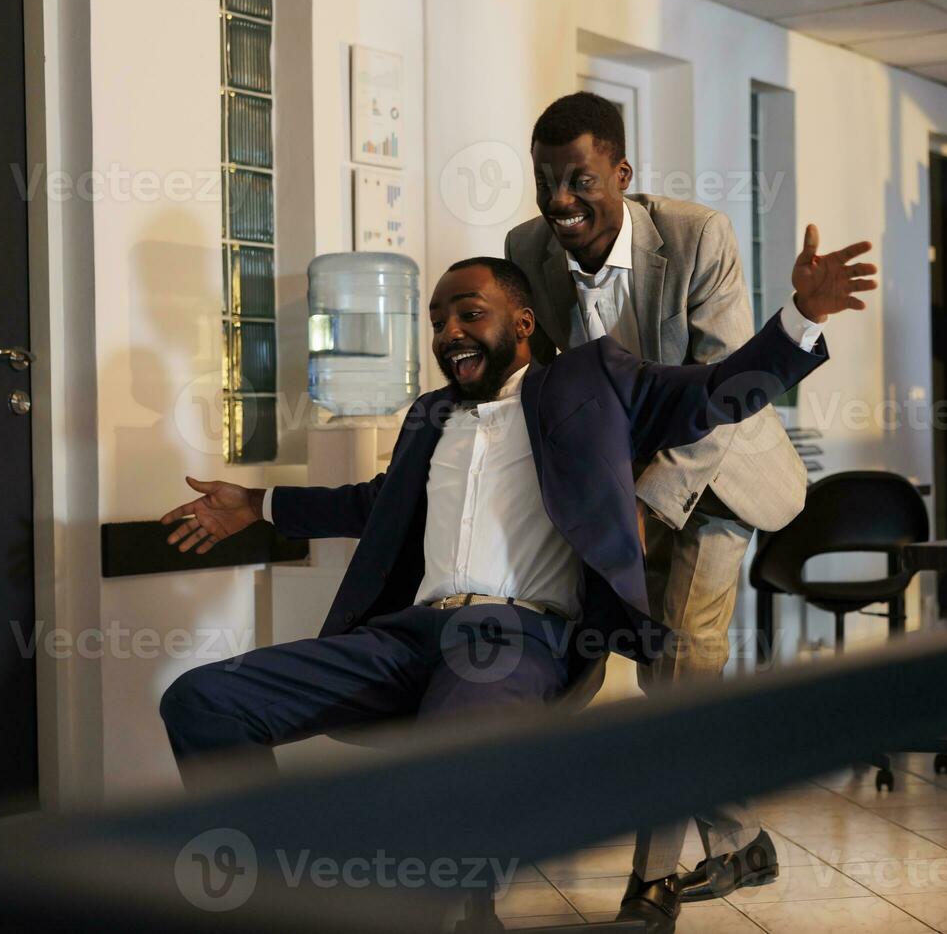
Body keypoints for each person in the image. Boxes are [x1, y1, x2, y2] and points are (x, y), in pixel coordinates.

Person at [159, 253, 873, 931]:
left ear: (523, 322)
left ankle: (454, 907)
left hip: (512, 636)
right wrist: (259, 504)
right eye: (438, 322)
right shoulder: (429, 415)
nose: (449, 334)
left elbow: (714, 394)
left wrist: (800, 319)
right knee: (203, 701)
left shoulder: (592, 384)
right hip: (404, 637)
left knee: (445, 768)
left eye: (469, 314)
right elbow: (375, 503)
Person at [505, 91, 874, 925]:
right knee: (641, 670)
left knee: (678, 669)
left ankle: (653, 884)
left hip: (715, 478)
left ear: (622, 174)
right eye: (544, 180)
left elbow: (729, 391)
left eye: (580, 180)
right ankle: (742, 840)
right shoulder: (525, 249)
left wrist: (648, 503)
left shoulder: (696, 235)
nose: (560, 200)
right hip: (618, 487)